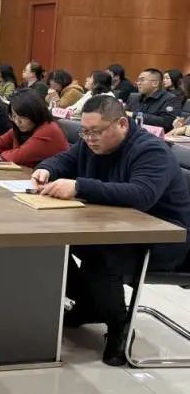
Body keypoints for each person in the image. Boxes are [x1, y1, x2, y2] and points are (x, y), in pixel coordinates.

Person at [32, 95, 190, 366]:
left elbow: (141, 195)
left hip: (164, 240)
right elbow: (63, 160)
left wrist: (79, 187)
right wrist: (45, 170)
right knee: (50, 241)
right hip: (118, 227)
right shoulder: (90, 144)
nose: (89, 138)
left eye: (96, 131)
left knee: (102, 252)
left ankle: (119, 326)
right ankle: (89, 305)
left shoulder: (150, 151)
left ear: (121, 124)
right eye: (85, 131)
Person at [0, 90, 68, 167]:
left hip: (54, 183)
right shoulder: (21, 127)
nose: (17, 121)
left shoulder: (48, 130)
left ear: (35, 114)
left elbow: (17, 157)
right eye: (14, 116)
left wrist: (3, 152)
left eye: (23, 117)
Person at [126, 68, 180, 132]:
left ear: (155, 83)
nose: (138, 83)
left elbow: (166, 123)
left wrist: (134, 115)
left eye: (142, 80)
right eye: (138, 80)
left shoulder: (170, 99)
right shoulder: (133, 97)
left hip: (154, 136)